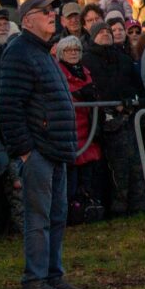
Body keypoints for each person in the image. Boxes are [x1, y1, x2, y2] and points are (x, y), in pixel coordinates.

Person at [0, 0, 86, 289]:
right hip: (38, 152)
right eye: (44, 11)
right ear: (27, 20)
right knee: (38, 219)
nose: (52, 15)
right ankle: (33, 283)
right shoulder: (19, 52)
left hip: (55, 149)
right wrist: (25, 151)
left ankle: (52, 276)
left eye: (53, 10)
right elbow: (9, 106)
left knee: (57, 216)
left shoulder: (43, 53)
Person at [81, 21, 145, 215]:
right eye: (101, 32)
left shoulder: (124, 59)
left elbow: (138, 86)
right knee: (116, 169)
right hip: (106, 123)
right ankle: (117, 209)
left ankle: (138, 208)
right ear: (93, 36)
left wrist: (136, 100)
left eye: (108, 32)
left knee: (136, 166)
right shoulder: (87, 61)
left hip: (130, 119)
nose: (106, 34)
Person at [54, 37, 103, 219]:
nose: (73, 52)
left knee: (88, 176)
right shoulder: (58, 72)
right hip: (70, 129)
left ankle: (86, 208)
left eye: (76, 49)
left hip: (88, 129)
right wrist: (78, 95)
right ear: (61, 53)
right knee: (70, 179)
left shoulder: (86, 72)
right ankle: (68, 213)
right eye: (68, 50)